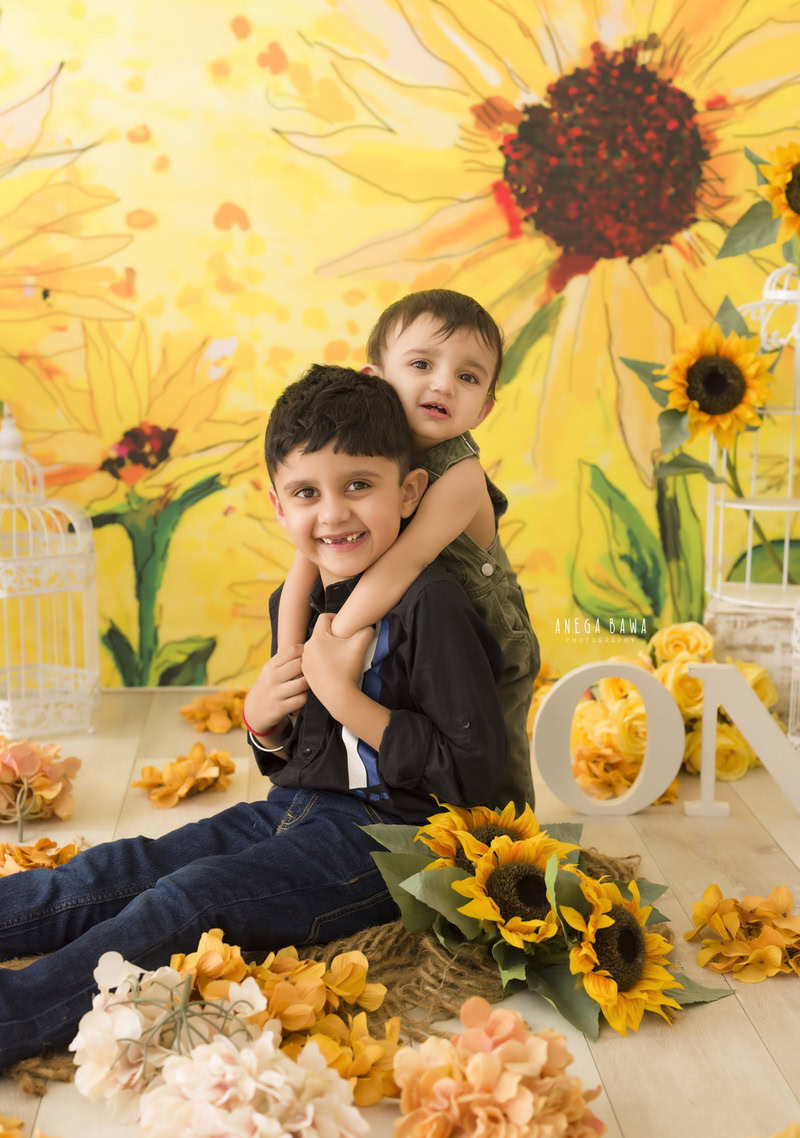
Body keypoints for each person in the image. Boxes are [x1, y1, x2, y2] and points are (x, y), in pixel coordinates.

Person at [0, 365, 507, 1070]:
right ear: (278, 506)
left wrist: (348, 699)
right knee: (126, 864)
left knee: (192, 897)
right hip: (295, 806)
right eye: (307, 492)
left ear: (410, 490)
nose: (332, 514)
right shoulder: (293, 603)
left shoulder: (432, 606)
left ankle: (17, 1013)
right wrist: (264, 725)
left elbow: (478, 779)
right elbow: (301, 758)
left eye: (359, 485)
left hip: (392, 839)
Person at [277, 289, 539, 812]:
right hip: (419, 619)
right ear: (376, 378)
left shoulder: (460, 475)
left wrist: (336, 644)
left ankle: (508, 845)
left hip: (485, 633)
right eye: (422, 363)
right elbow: (303, 565)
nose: (443, 383)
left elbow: (402, 563)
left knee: (493, 758)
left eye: (468, 377)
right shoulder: (367, 449)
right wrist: (293, 662)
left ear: (483, 408)